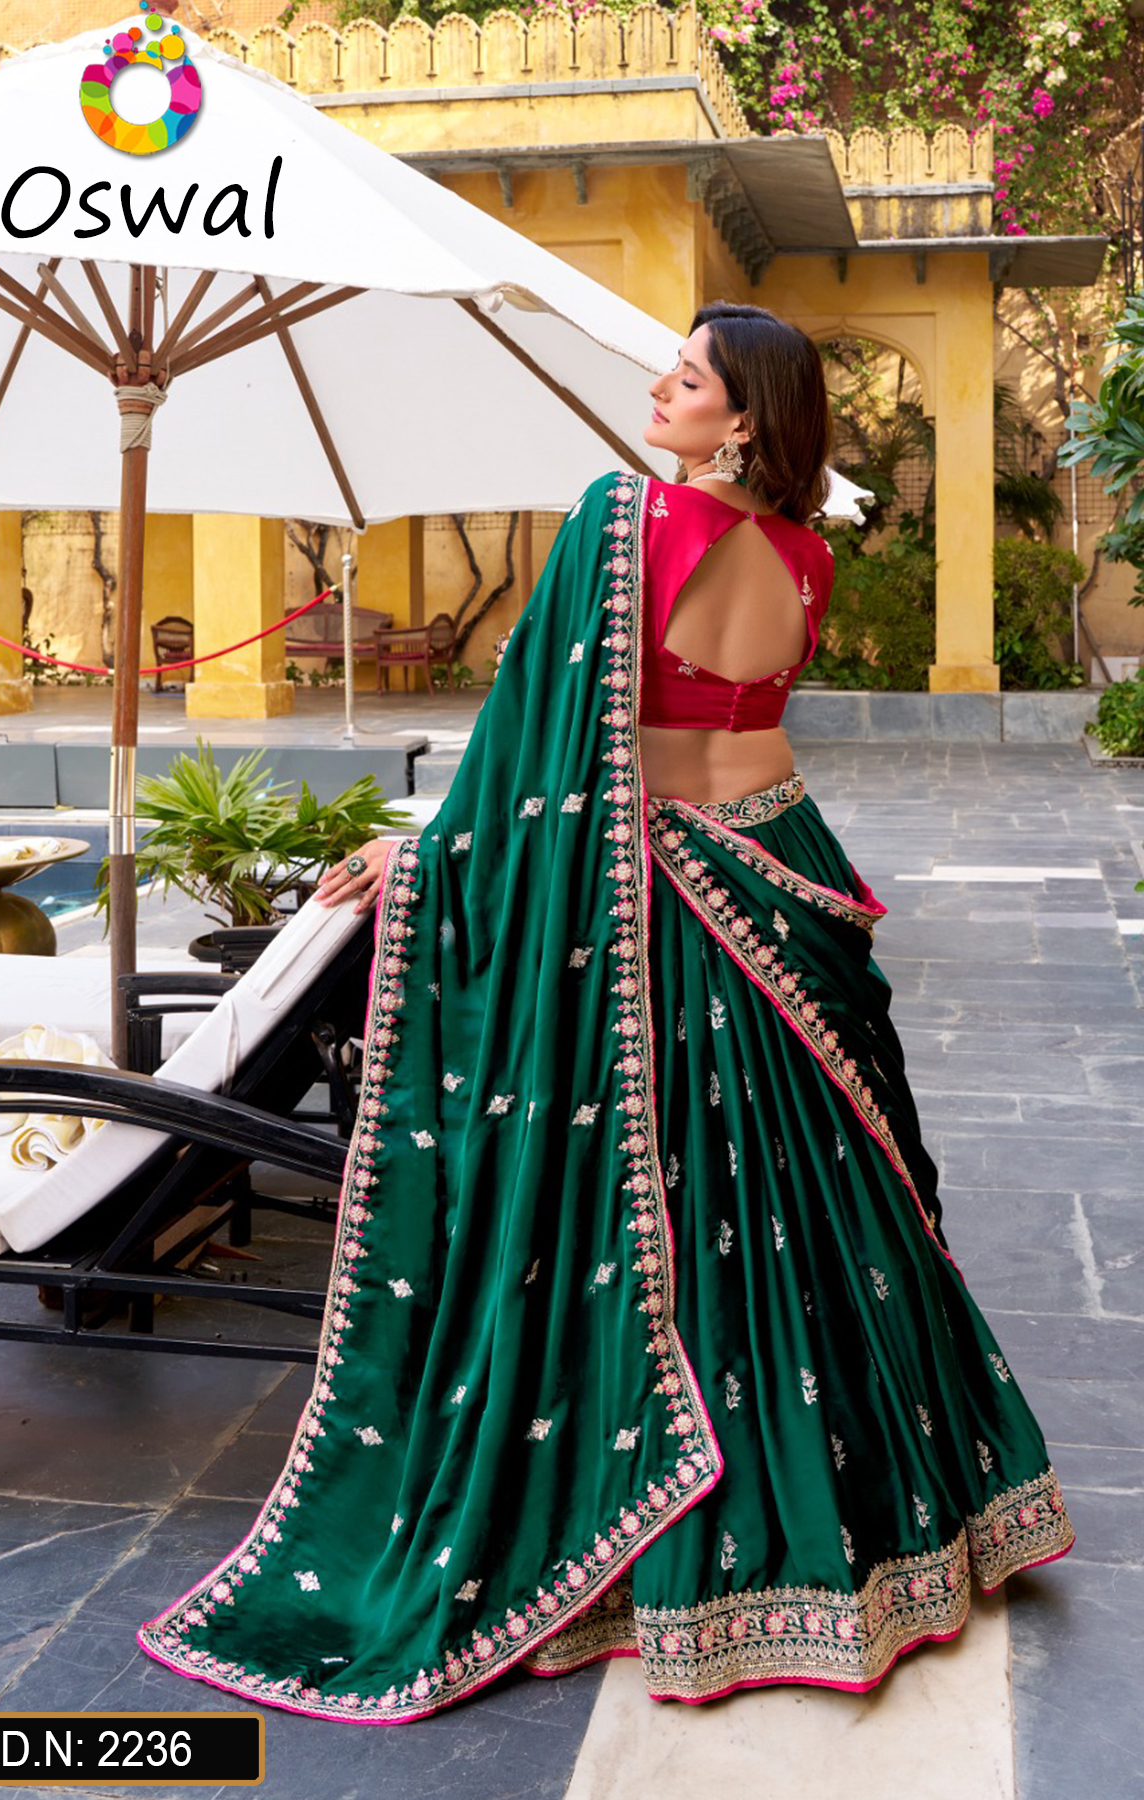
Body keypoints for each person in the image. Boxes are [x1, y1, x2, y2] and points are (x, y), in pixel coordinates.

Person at [137, 301, 1074, 1722]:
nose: (660, 386)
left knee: (675, 1201)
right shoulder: (807, 553)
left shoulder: (627, 523)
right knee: (817, 1194)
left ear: (743, 417)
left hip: (669, 890)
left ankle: (671, 1524)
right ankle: (903, 1509)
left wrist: (428, 855)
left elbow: (539, 741)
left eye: (688, 376)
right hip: (786, 861)